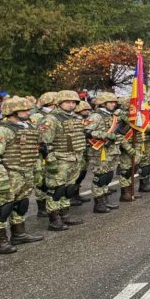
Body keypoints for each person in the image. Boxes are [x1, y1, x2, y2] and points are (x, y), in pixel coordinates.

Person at [0, 96, 44, 254]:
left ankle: (19, 234)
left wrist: (37, 171)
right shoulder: (1, 130)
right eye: (23, 110)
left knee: (21, 204)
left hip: (26, 173)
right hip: (9, 173)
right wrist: (1, 179)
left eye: (27, 109)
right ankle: (0, 242)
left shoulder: (28, 128)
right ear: (12, 112)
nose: (27, 112)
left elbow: (35, 152)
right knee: (3, 207)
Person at [38, 90, 88, 231]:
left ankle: (65, 214)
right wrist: (51, 160)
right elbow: (43, 143)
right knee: (56, 189)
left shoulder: (76, 118)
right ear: (59, 103)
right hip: (60, 159)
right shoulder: (51, 119)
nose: (71, 105)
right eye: (67, 102)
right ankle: (54, 218)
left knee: (69, 188)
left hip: (75, 158)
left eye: (73, 102)